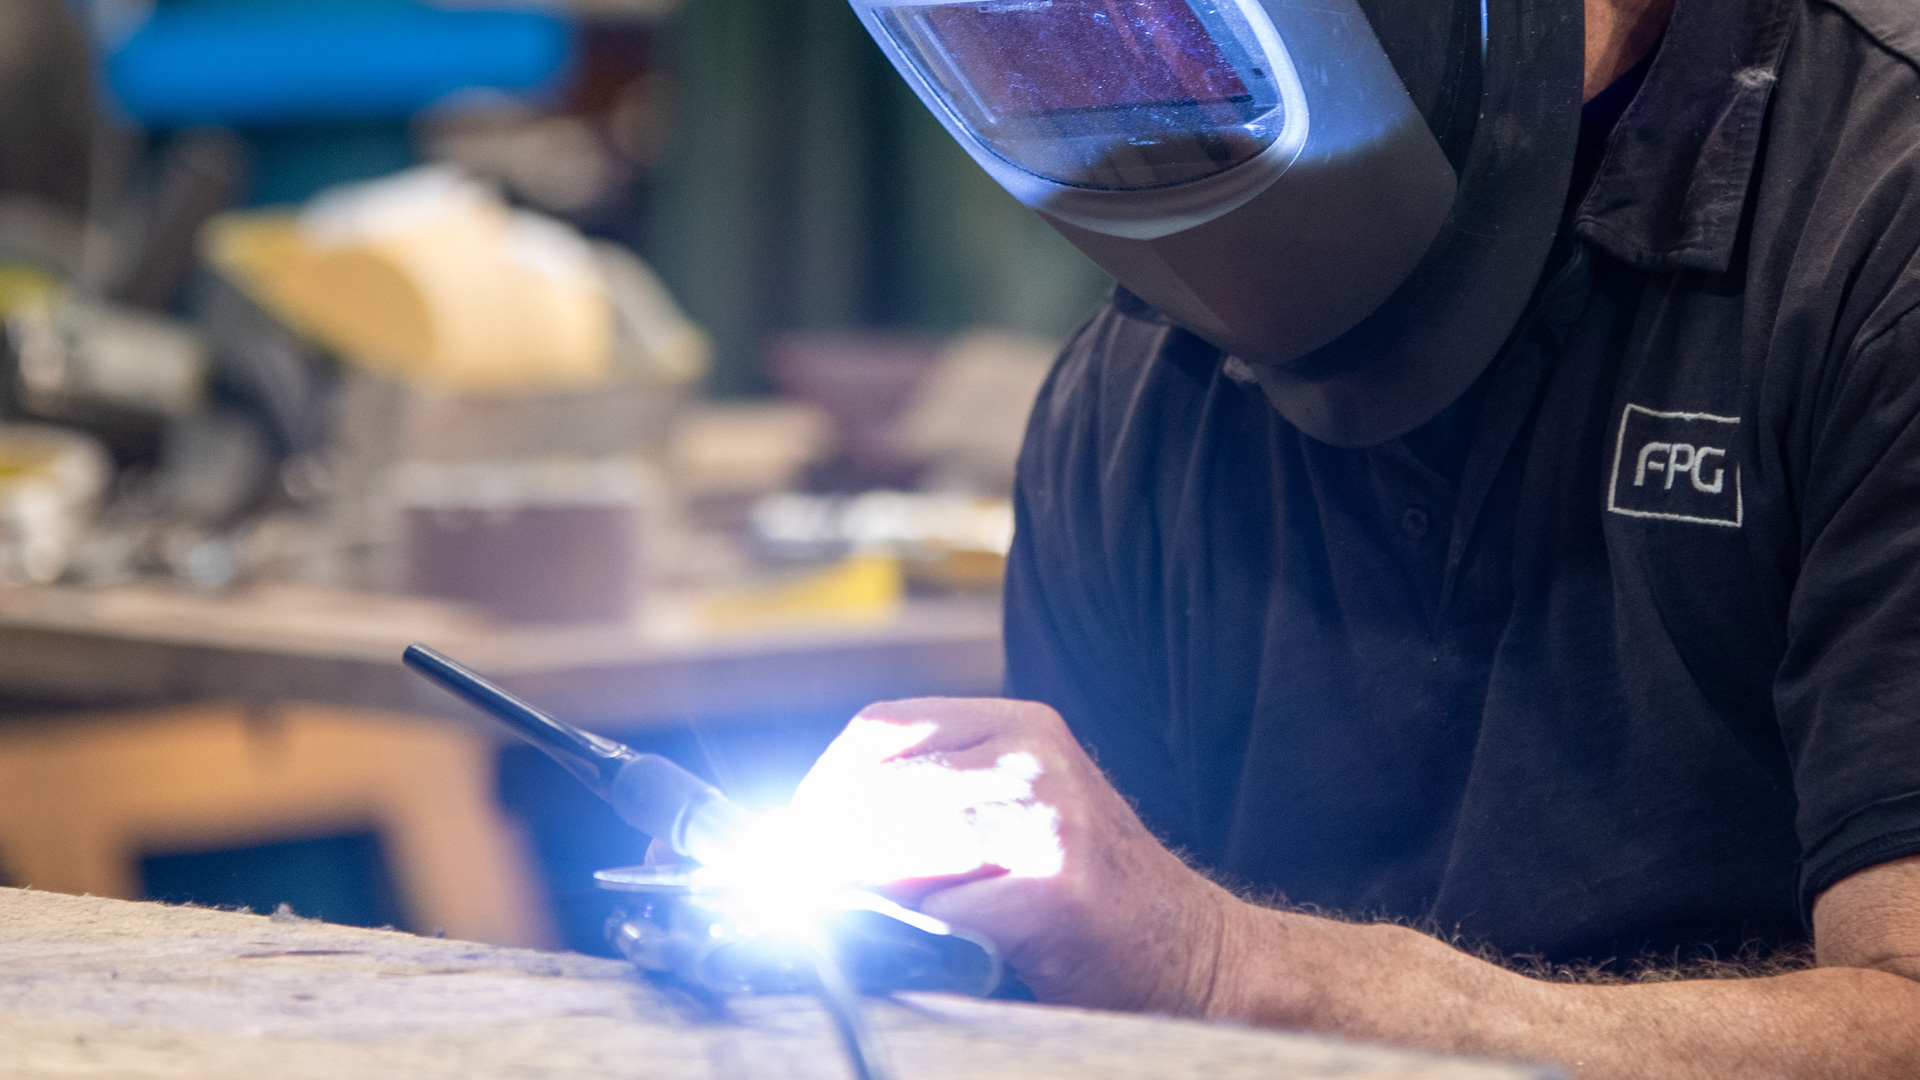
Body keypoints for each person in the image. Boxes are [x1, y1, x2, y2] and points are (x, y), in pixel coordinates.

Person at [793, 0, 1920, 1074]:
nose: (1141, 65)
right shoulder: (1133, 395)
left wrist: (1222, 970)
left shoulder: (1871, 226)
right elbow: (1071, 997)